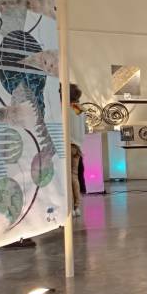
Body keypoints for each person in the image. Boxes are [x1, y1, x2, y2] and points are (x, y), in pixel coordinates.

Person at [69, 83, 86, 217]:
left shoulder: (66, 109)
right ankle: (76, 206)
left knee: (69, 176)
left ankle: (71, 206)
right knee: (75, 176)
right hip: (78, 147)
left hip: (68, 145)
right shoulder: (79, 109)